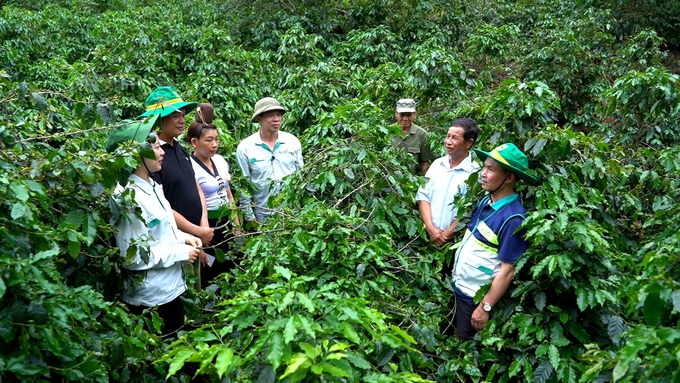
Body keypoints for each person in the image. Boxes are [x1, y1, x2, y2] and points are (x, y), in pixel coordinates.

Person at [107, 117, 202, 336]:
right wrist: (180, 253)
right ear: (137, 156)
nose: (162, 152)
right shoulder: (127, 198)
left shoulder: (154, 185)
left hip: (170, 289)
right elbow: (132, 257)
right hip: (151, 299)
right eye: (156, 147)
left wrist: (184, 238)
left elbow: (160, 231)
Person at [450, 143, 538, 341]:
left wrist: (484, 306)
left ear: (509, 177)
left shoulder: (513, 219)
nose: (483, 173)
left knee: (468, 354)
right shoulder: (486, 201)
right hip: (461, 289)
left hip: (475, 300)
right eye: (484, 167)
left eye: (490, 169)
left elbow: (508, 270)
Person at [141, 86, 213, 287]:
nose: (182, 120)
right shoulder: (153, 158)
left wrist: (203, 226)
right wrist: (196, 231)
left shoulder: (180, 149)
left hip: (196, 236)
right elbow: (161, 204)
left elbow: (195, 186)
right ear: (159, 120)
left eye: (182, 115)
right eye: (174, 116)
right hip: (177, 241)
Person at [187, 103, 242, 287]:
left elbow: (229, 195)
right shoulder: (190, 166)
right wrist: (198, 242)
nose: (215, 144)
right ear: (194, 142)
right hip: (207, 228)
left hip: (226, 223)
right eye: (209, 140)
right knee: (211, 273)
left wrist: (237, 225)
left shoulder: (220, 160)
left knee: (230, 269)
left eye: (216, 139)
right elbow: (191, 206)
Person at [236, 97, 303, 223]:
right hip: (263, 214)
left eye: (278, 115)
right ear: (259, 119)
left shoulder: (292, 142)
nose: (276, 119)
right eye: (271, 115)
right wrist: (250, 217)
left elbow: (301, 175)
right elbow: (244, 186)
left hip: (292, 212)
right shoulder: (245, 147)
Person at [416, 118, 480, 247]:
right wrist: (430, 228)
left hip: (454, 243)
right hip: (427, 236)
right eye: (448, 136)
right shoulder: (437, 164)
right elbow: (423, 196)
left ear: (468, 143)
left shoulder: (475, 173)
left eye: (455, 138)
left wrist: (445, 236)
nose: (448, 142)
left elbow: (469, 211)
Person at [391, 98, 434, 173]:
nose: (405, 118)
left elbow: (425, 162)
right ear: (396, 114)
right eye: (402, 115)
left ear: (414, 115)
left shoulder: (422, 135)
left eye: (409, 115)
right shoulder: (388, 132)